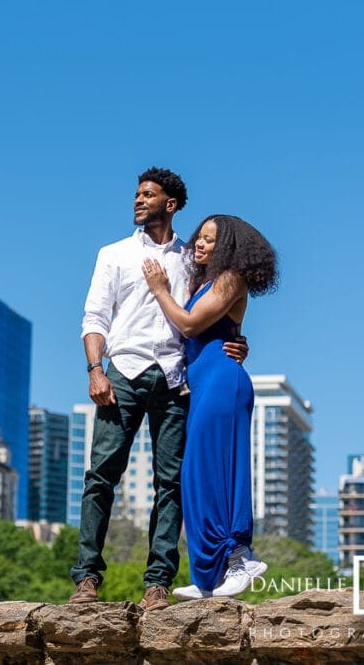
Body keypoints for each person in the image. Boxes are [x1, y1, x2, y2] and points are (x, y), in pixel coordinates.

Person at [69, 168, 247, 611]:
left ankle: (158, 584)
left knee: (171, 484)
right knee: (101, 477)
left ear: (171, 204)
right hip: (122, 376)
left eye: (148, 195)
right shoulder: (112, 254)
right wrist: (95, 368)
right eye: (136, 194)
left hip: (175, 381)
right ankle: (86, 578)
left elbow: (216, 306)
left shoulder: (192, 258)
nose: (138, 200)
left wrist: (237, 340)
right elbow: (95, 317)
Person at [141, 214, 279, 599]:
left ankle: (240, 557)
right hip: (203, 386)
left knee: (219, 473)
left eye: (210, 240)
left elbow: (188, 325)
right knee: (196, 477)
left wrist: (159, 289)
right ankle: (211, 576)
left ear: (229, 247)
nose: (200, 245)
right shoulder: (205, 282)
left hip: (222, 384)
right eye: (199, 238)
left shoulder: (231, 278)